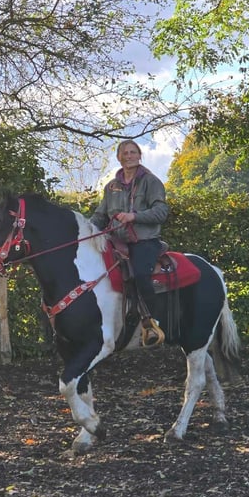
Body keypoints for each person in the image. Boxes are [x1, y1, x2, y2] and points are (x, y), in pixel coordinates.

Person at [90, 140, 169, 347]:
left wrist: (134, 216)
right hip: (116, 242)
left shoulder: (151, 182)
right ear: (119, 157)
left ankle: (152, 324)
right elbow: (100, 216)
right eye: (125, 153)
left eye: (133, 152)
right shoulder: (111, 186)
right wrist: (86, 230)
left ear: (139, 155)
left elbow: (161, 212)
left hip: (144, 241)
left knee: (141, 275)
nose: (129, 156)